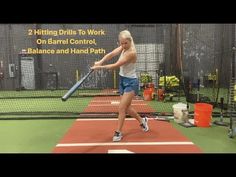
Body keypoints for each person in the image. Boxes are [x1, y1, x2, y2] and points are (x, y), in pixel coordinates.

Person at [91, 30, 149, 142]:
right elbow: (112, 53)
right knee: (126, 108)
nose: (123, 46)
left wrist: (100, 68)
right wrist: (100, 61)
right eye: (121, 43)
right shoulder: (124, 46)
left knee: (122, 108)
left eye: (125, 43)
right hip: (122, 80)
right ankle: (142, 121)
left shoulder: (132, 52)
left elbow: (116, 65)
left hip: (131, 82)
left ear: (130, 41)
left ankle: (118, 132)